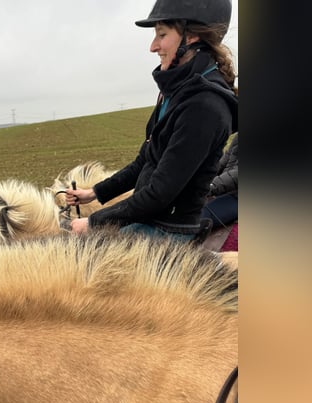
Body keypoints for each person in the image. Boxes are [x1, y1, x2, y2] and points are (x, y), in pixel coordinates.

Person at [67, 0, 238, 241]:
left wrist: (94, 222)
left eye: (162, 34)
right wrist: (94, 193)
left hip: (169, 231)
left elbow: (161, 193)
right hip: (150, 220)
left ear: (191, 37)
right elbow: (145, 161)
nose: (153, 46)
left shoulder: (204, 106)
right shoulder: (176, 92)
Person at [203, 131, 238, 229]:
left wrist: (210, 186)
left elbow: (236, 175)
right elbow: (222, 163)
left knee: (199, 217)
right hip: (227, 189)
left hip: (237, 197)